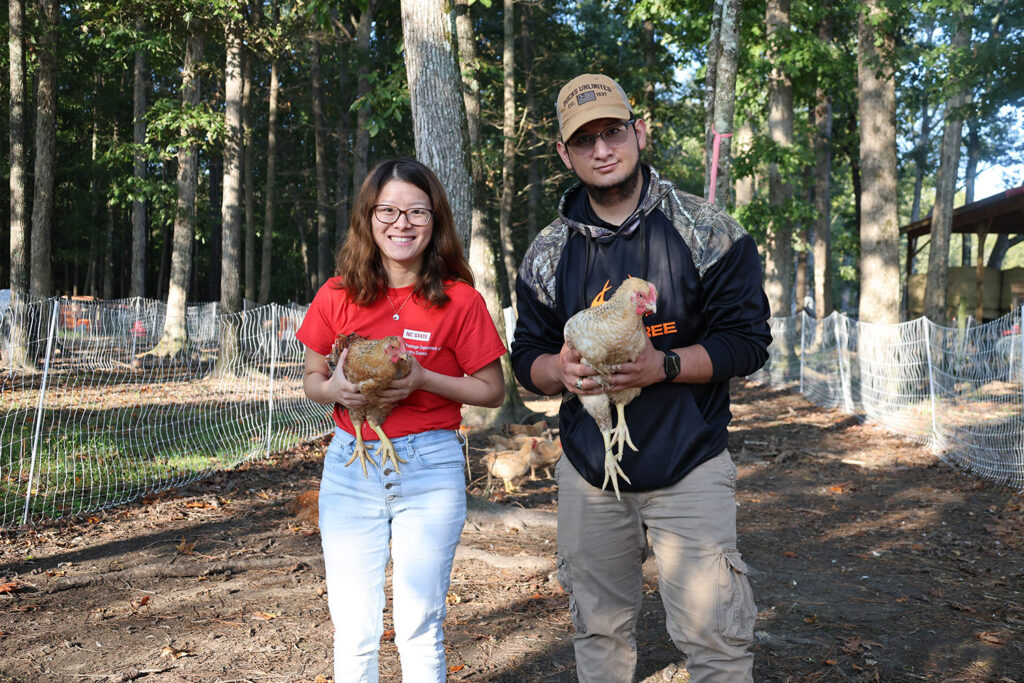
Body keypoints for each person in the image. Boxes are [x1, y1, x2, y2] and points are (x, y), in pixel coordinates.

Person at [510, 74, 772, 682]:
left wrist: (666, 365)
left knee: (715, 638)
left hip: (690, 459)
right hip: (589, 467)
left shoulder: (708, 231)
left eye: (612, 132)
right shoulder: (547, 253)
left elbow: (749, 342)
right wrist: (560, 370)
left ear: (639, 131)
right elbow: (528, 359)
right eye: (584, 140)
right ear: (564, 154)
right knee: (598, 628)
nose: (602, 150)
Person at [297, 157, 507, 682]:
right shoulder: (337, 295)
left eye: (417, 211)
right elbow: (311, 378)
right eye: (388, 210)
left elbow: (492, 390)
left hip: (430, 467)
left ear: (435, 221)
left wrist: (424, 380)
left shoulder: (460, 301)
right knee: (354, 627)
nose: (401, 223)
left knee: (419, 623)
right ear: (369, 218)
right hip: (352, 465)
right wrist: (335, 389)